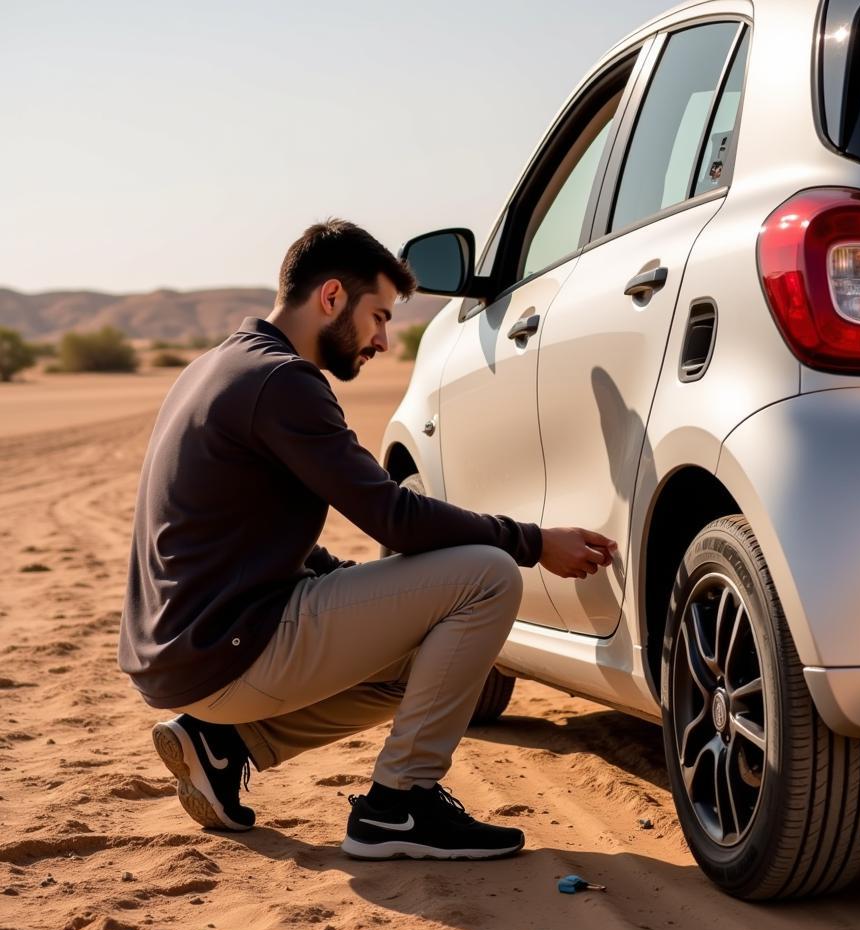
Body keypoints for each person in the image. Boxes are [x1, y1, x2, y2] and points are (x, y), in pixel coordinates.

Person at [118, 219, 616, 860]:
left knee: (433, 655)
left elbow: (250, 532)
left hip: (186, 653)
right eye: (378, 316)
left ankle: (228, 745)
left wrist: (359, 586)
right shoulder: (283, 382)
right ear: (330, 298)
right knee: (490, 574)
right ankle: (398, 806)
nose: (383, 339)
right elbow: (392, 517)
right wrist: (532, 539)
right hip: (225, 648)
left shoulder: (217, 365)